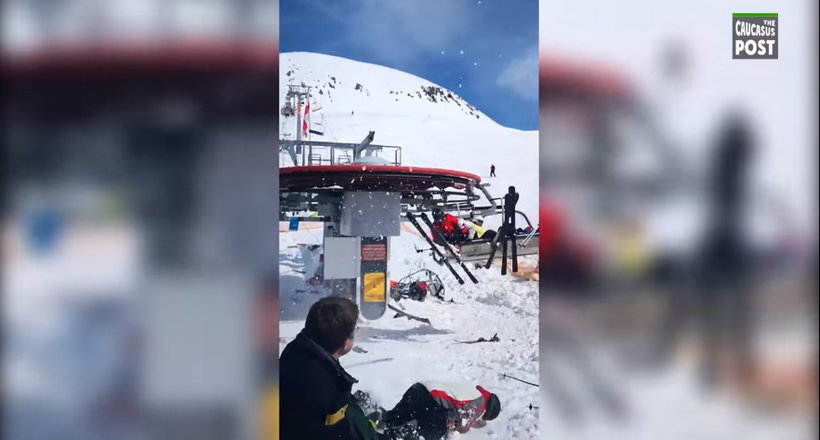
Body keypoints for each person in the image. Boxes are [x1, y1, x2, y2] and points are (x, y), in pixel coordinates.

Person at [279, 297, 382, 440]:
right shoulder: (325, 388)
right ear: (346, 343)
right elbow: (343, 433)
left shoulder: (297, 349)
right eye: (355, 330)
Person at [368, 381, 501, 440]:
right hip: (433, 402)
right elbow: (464, 423)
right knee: (426, 435)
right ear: (487, 413)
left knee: (394, 418)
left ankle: (372, 414)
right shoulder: (481, 404)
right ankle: (398, 436)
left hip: (420, 389)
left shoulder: (473, 391)